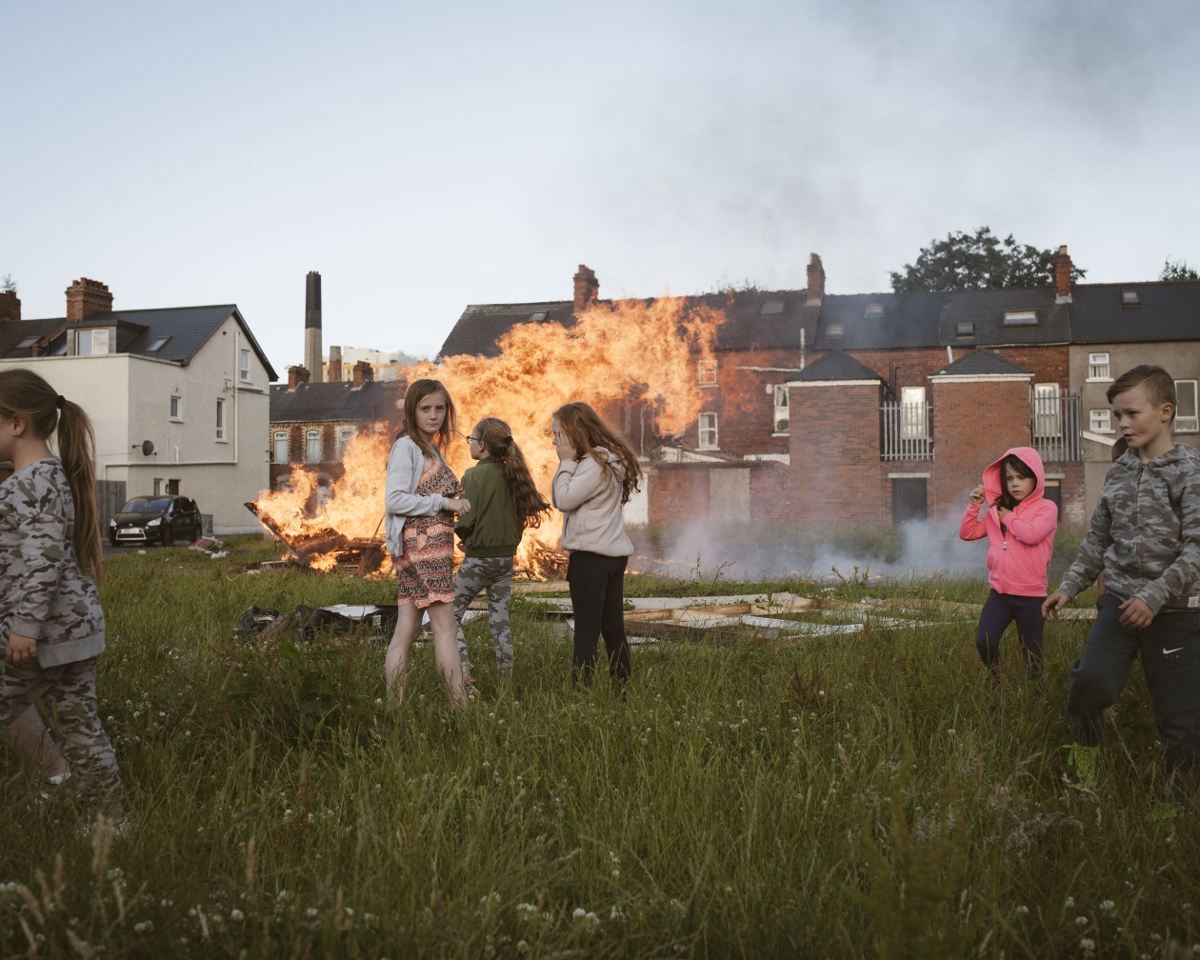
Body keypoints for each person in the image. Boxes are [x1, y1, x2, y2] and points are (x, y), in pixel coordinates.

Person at [1044, 365, 1200, 791]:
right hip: (1118, 603)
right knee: (1091, 682)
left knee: (1179, 716)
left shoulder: (1189, 471)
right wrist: (1068, 587)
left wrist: (1153, 597)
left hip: (1173, 611)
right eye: (1117, 416)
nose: (1122, 424)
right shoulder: (1119, 471)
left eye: (1132, 413)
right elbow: (1097, 540)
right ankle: (1083, 771)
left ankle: (1172, 803)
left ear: (1165, 411)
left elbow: (1196, 549)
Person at [0, 369, 124, 819]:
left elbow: (43, 559)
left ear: (16, 424)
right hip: (71, 633)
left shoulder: (30, 484)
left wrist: (25, 628)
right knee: (83, 734)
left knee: (82, 733)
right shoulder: (48, 479)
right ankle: (110, 827)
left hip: (39, 637)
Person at [384, 379, 471, 710]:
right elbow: (395, 500)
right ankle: (459, 710)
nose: (434, 415)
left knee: (407, 628)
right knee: (445, 627)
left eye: (440, 408)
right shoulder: (406, 447)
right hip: (423, 548)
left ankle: (394, 707)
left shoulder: (428, 447)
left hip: (424, 546)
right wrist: (444, 504)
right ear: (412, 411)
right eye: (425, 409)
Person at [452, 418, 551, 681]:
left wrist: (463, 535)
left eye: (471, 440)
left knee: (450, 617)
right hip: (505, 562)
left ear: (482, 445)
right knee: (500, 624)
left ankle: (463, 673)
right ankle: (505, 685)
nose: (469, 444)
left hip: (477, 562)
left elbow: (466, 519)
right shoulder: (513, 474)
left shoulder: (473, 475)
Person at [551, 402, 641, 687]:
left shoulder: (593, 464)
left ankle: (581, 696)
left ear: (574, 434)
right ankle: (621, 692)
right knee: (613, 630)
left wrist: (565, 462)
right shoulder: (609, 459)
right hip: (611, 555)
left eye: (558, 435)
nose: (555, 441)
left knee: (586, 632)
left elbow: (563, 500)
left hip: (591, 557)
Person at [959, 447, 1058, 684]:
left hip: (1031, 596)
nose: (1015, 484)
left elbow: (1032, 535)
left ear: (1036, 478)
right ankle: (1006, 688)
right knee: (985, 641)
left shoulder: (1047, 508)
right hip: (1000, 594)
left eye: (1022, 478)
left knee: (1032, 655)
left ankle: (1034, 702)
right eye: (1010, 478)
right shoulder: (997, 510)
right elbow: (968, 533)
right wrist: (975, 506)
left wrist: (1008, 518)